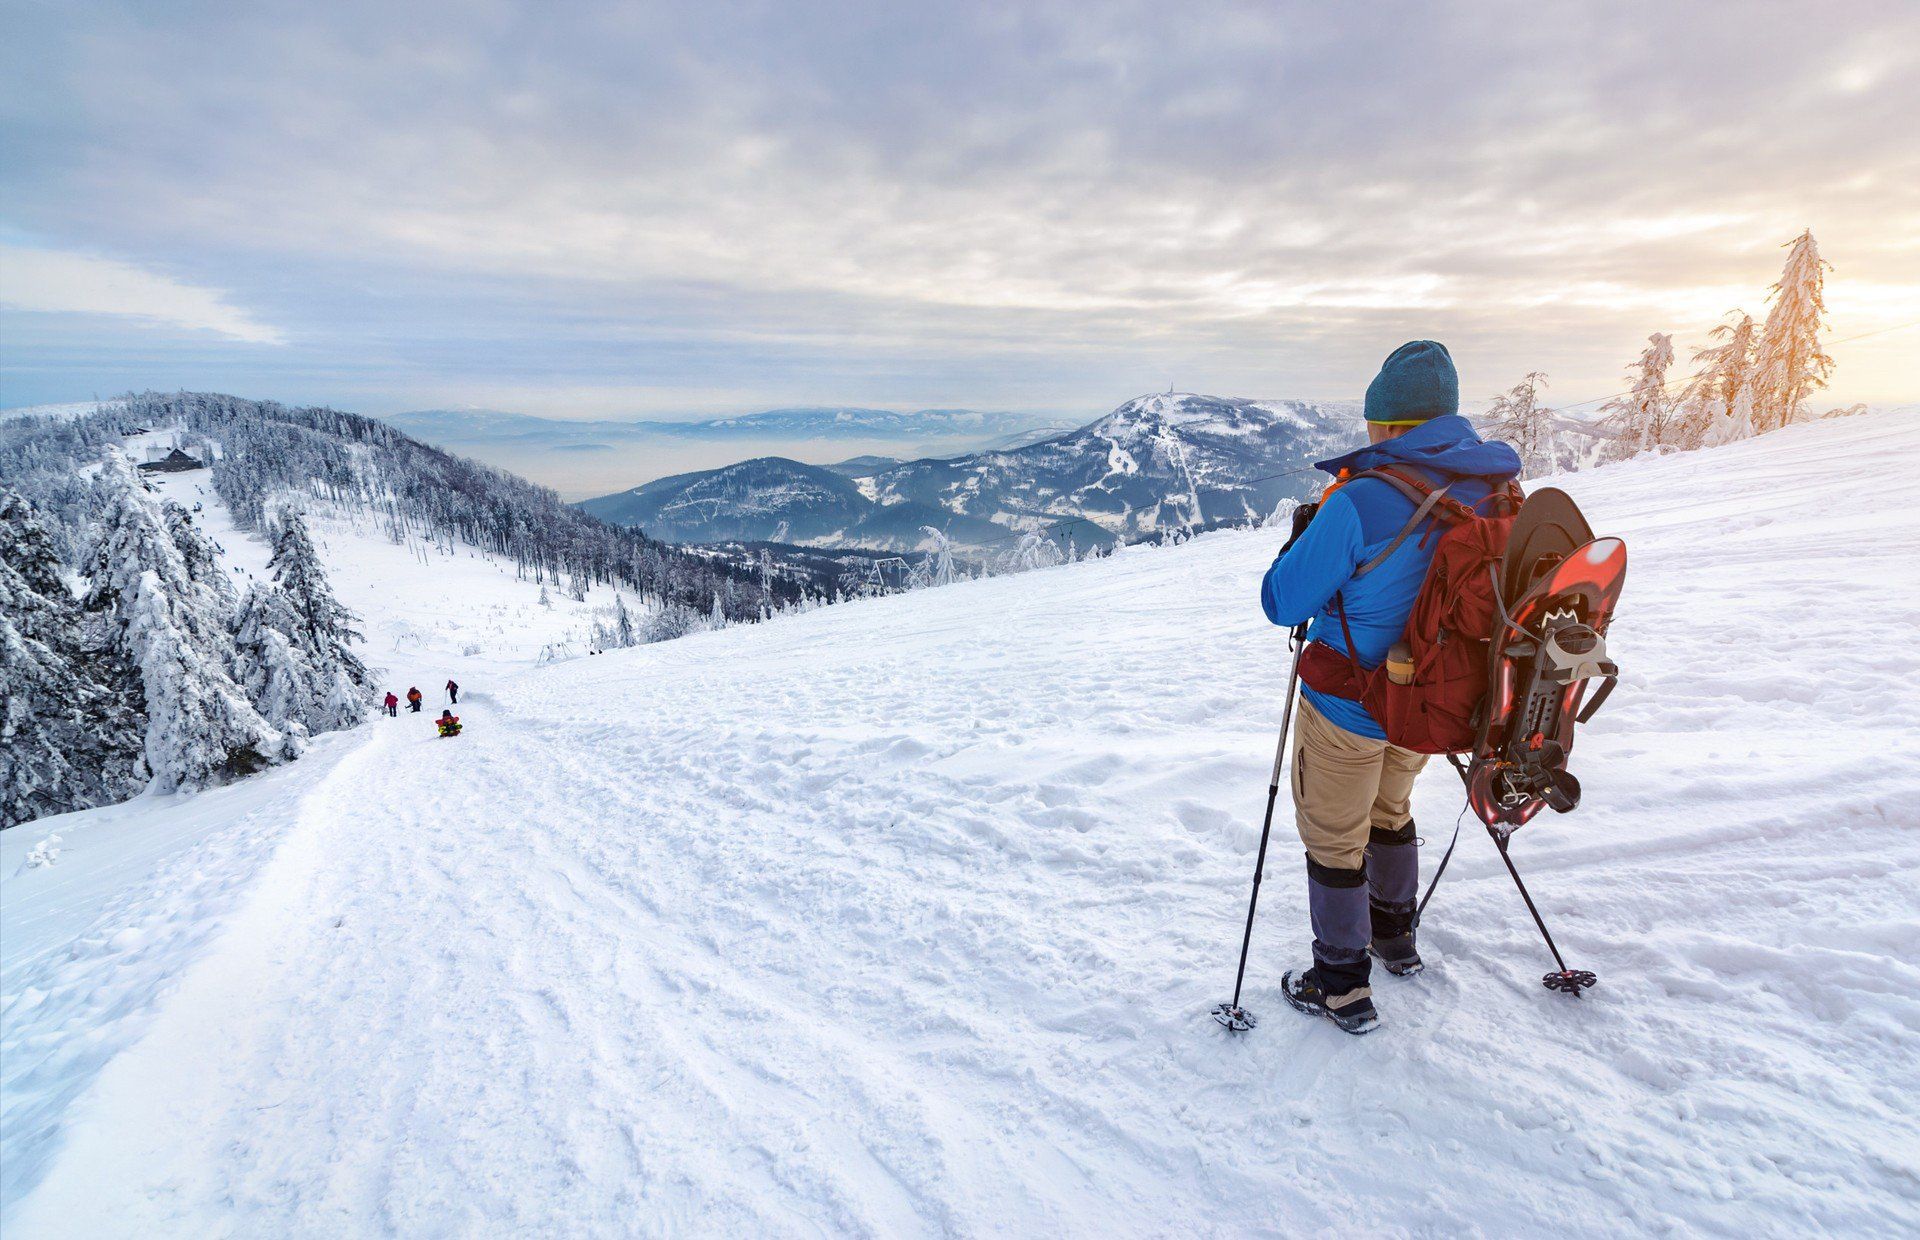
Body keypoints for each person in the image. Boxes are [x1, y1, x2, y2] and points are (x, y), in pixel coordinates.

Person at [1259, 340, 1522, 1034]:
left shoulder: (1362, 500)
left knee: (1333, 836)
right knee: (1390, 808)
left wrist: (1302, 542)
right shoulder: (1496, 490)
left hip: (1349, 701)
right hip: (1432, 701)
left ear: (1388, 423)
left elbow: (1282, 602)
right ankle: (1395, 937)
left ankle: (1341, 985)